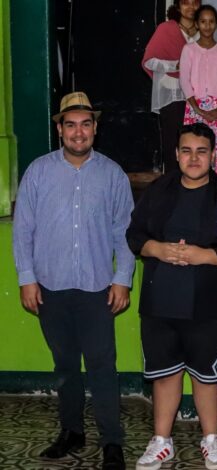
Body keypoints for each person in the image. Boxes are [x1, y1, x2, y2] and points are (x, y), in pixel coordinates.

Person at [12, 92, 135, 470]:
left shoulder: (112, 174)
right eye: (70, 124)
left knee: (102, 366)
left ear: (95, 129)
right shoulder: (38, 172)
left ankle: (111, 441)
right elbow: (23, 230)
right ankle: (71, 431)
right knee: (64, 365)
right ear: (60, 129)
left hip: (98, 288)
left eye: (85, 124)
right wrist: (27, 279)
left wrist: (122, 279)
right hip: (51, 287)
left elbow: (125, 231)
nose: (78, 132)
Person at [127, 123, 217, 470]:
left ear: (213, 155)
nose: (193, 158)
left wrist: (205, 256)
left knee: (207, 376)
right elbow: (133, 235)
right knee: (165, 374)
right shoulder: (158, 190)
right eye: (186, 151)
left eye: (201, 151)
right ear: (176, 155)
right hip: (160, 303)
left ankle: (211, 440)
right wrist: (156, 248)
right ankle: (162, 441)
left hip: (208, 303)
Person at [142, 0, 201, 173]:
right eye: (185, 2)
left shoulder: (204, 30)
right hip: (173, 95)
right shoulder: (166, 28)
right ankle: (173, 188)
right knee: (173, 145)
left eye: (195, 2)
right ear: (177, 6)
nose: (190, 7)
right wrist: (175, 66)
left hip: (199, 97)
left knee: (196, 142)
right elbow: (149, 61)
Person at [180, 5, 217, 175]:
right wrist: (197, 109)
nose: (207, 26)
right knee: (196, 147)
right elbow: (184, 80)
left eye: (211, 22)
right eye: (203, 22)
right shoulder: (188, 50)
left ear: (216, 24)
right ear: (196, 24)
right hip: (194, 107)